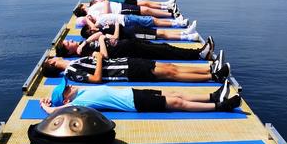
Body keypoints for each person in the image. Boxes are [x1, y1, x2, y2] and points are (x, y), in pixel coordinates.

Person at [40, 77, 238, 114]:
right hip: (134, 102)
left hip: (132, 93)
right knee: (176, 102)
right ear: (67, 99)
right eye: (67, 88)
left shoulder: (81, 91)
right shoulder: (79, 102)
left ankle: (213, 96)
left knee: (174, 93)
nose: (70, 85)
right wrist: (47, 106)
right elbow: (57, 112)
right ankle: (220, 106)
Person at [41, 52, 230, 84]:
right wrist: (98, 59)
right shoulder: (71, 72)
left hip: (126, 62)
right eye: (52, 58)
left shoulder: (74, 63)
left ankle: (209, 70)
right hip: (125, 72)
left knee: (170, 66)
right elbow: (97, 78)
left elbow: (102, 60)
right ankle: (213, 77)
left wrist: (99, 56)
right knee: (171, 74)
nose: (55, 56)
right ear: (52, 64)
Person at [56, 35, 216, 61]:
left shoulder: (83, 45)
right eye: (67, 43)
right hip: (129, 51)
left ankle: (199, 52)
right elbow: (103, 57)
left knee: (164, 47)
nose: (70, 40)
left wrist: (85, 42)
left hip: (129, 44)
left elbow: (98, 33)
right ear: (68, 51)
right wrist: (103, 40)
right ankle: (199, 55)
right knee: (164, 51)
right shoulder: (83, 55)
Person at [81, 19, 198, 41]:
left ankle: (185, 32)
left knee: (159, 31)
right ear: (91, 32)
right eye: (91, 29)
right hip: (135, 34)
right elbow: (115, 37)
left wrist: (112, 24)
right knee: (161, 34)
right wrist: (116, 25)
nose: (93, 27)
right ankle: (188, 37)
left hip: (134, 29)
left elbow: (88, 22)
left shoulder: (101, 28)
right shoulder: (101, 34)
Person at [74, 0, 180, 19]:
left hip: (121, 6)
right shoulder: (90, 14)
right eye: (82, 6)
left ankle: (168, 10)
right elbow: (104, 16)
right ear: (82, 9)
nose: (85, 5)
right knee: (146, 11)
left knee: (145, 9)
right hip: (121, 10)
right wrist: (106, 3)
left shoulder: (92, 7)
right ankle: (171, 14)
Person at [76, 13, 188, 32]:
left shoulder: (98, 18)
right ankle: (178, 24)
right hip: (126, 21)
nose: (90, 16)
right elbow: (94, 28)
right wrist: (86, 20)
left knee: (152, 20)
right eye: (87, 18)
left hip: (126, 18)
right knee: (152, 21)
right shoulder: (96, 24)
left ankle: (176, 22)